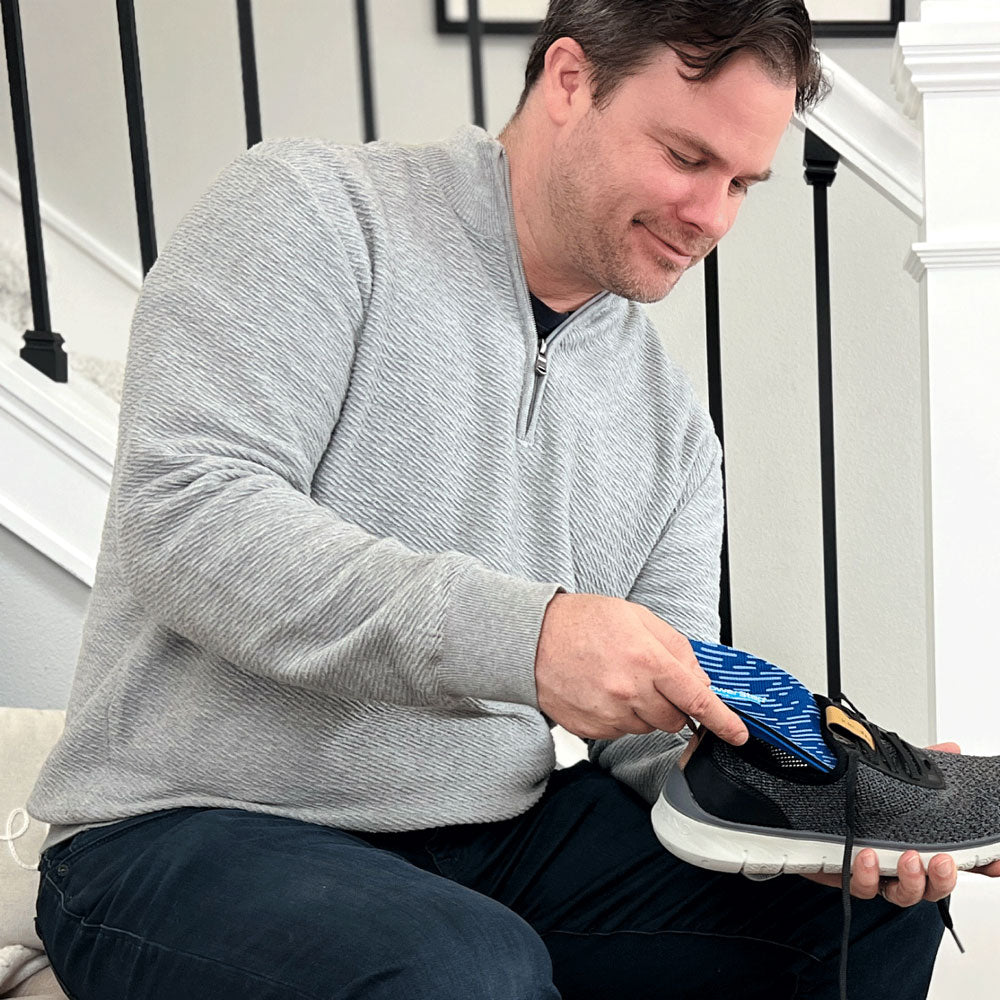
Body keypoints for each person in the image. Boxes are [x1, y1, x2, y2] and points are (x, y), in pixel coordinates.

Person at [27, 2, 971, 997]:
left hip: (493, 833)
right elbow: (187, 517)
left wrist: (821, 795)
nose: (713, 215)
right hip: (192, 828)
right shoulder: (315, 214)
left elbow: (653, 732)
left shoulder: (673, 432)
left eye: (742, 182)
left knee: (856, 915)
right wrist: (530, 636)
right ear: (569, 81)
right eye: (686, 156)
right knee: (467, 966)